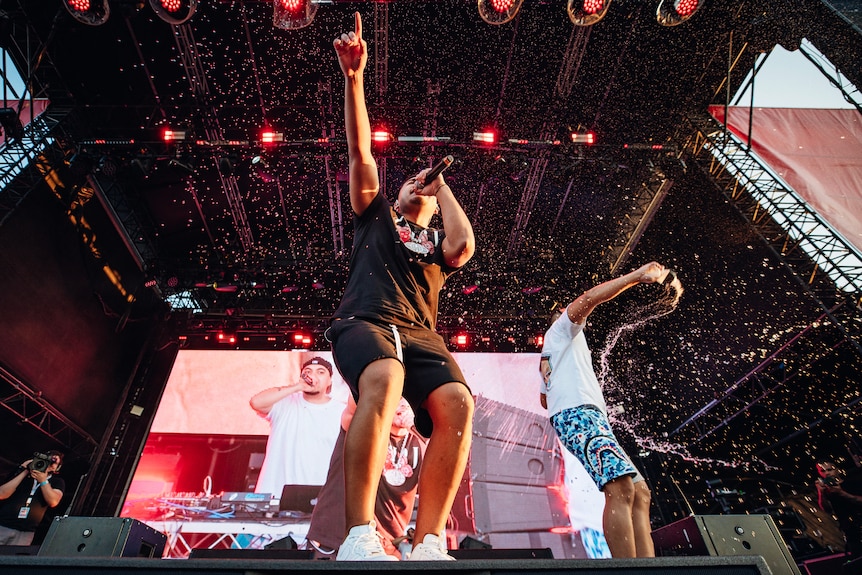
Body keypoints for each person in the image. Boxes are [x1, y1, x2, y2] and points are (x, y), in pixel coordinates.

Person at [329, 12, 476, 561]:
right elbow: (360, 153)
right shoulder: (376, 215)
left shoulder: (435, 242)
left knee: (458, 403)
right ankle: (358, 534)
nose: (416, 182)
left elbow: (464, 246)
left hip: (420, 333)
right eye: (411, 181)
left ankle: (429, 541)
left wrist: (444, 190)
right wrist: (354, 79)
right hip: (366, 323)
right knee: (385, 376)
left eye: (424, 185)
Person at [539, 262, 673, 558]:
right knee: (620, 487)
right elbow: (589, 299)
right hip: (579, 415)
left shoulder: (555, 349)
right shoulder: (562, 329)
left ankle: (650, 567)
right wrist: (637, 277)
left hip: (582, 416)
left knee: (640, 492)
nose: (579, 314)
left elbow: (544, 400)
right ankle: (627, 568)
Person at [306, 397, 426, 559]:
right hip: (339, 538)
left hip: (387, 544)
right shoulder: (362, 429)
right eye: (397, 397)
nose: (403, 404)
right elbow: (356, 401)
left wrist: (418, 424)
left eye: (408, 399)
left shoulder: (419, 442)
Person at [250, 357, 346, 495]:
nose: (312, 375)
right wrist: (297, 386)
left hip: (321, 498)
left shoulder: (341, 411)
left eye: (320, 372)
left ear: (330, 380)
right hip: (276, 496)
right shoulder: (284, 404)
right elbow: (256, 402)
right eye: (307, 371)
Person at [0, 451, 65, 545]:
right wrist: (26, 470)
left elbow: (53, 501)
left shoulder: (57, 482)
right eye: (47, 460)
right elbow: (2, 494)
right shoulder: (23, 474)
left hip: (26, 532)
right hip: (3, 525)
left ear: (56, 468)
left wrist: (43, 480)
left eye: (53, 462)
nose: (49, 463)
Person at [815, 460, 862, 559]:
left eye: (829, 469)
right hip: (850, 531)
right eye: (822, 471)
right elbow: (826, 509)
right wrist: (821, 493)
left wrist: (842, 493)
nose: (827, 473)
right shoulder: (827, 491)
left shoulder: (853, 481)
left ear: (837, 469)